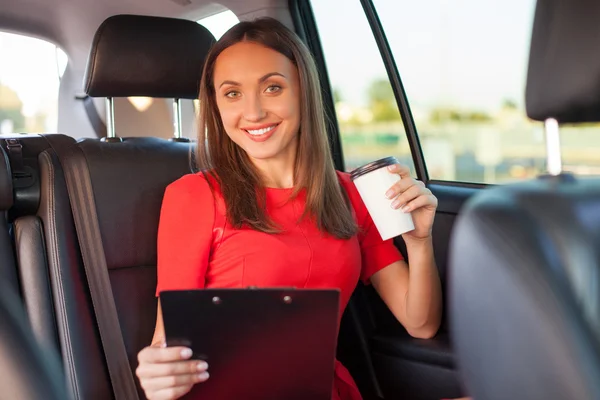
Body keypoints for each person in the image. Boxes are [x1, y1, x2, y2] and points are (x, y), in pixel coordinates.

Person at [136, 17, 442, 400]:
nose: (254, 112)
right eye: (232, 94)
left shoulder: (350, 194)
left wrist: (418, 242)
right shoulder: (194, 195)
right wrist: (158, 374)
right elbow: (169, 346)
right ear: (215, 104)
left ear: (303, 91)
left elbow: (421, 324)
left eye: (273, 88)